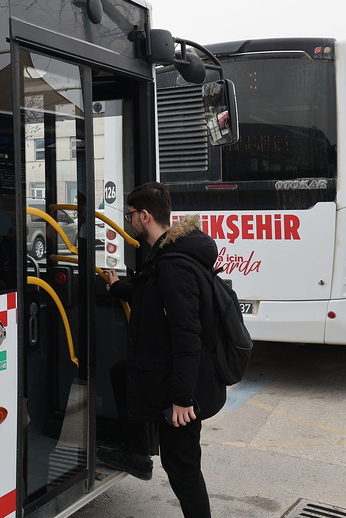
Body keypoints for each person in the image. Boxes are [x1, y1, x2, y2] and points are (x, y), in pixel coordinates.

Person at [99, 182, 225, 517]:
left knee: (182, 468)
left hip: (182, 385)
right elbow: (148, 292)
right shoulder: (167, 255)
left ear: (144, 215)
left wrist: (182, 399)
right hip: (164, 371)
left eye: (130, 217)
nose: (130, 223)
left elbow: (187, 335)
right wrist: (116, 287)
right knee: (121, 372)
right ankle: (138, 453)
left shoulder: (173, 264)